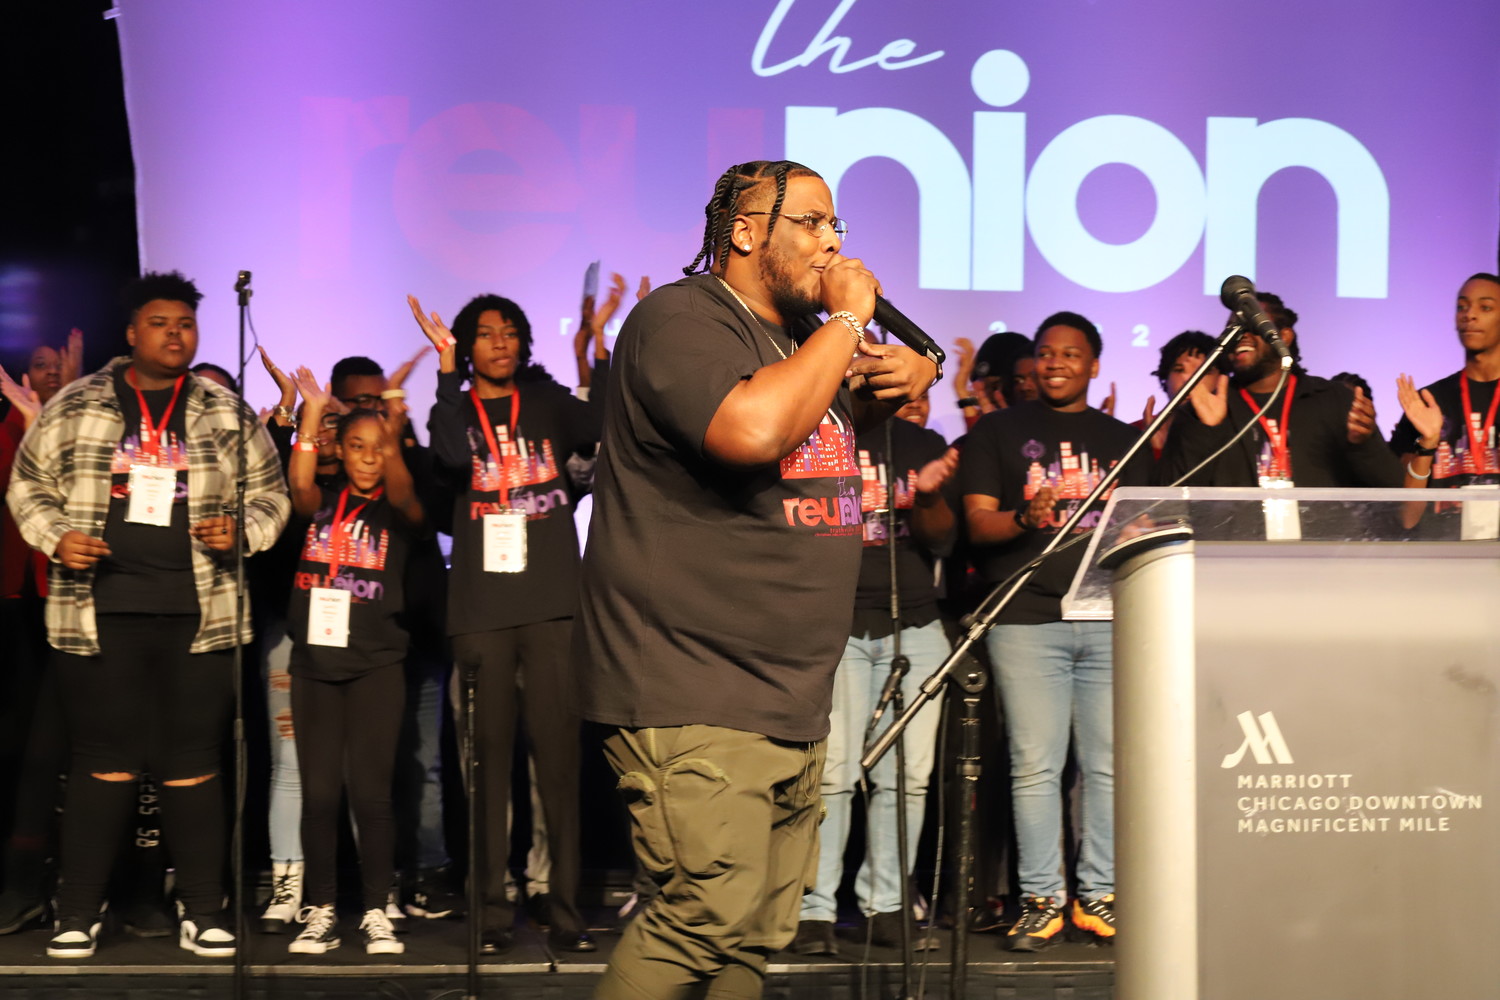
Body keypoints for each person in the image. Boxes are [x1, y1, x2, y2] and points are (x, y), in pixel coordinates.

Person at [574, 159, 938, 999]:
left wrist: (909, 373)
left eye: (836, 224)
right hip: (694, 684)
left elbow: (813, 431)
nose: (830, 241)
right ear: (743, 232)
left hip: (789, 692)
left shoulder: (797, 340)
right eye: (809, 222)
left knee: (750, 937)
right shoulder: (680, 318)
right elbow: (751, 430)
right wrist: (847, 321)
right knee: (703, 916)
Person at [6, 270, 290, 959]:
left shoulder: (224, 410)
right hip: (98, 612)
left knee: (193, 765)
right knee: (103, 764)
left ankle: (203, 909)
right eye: (161, 324)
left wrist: (243, 531)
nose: (175, 335)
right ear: (133, 332)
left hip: (202, 614)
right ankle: (79, 912)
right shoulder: (78, 402)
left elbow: (272, 496)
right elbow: (26, 485)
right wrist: (56, 537)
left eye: (186, 324)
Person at [408, 283, 613, 955]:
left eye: (510, 332)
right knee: (486, 768)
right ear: (467, 348)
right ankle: (491, 912)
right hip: (481, 613)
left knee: (558, 768)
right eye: (485, 334)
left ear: (523, 343)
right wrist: (444, 374)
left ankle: (566, 911)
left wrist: (596, 347)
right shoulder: (456, 409)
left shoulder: (547, 402)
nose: (500, 343)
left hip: (552, 609)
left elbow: (603, 421)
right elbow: (447, 457)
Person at [961, 312, 1151, 951]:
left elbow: (1145, 527)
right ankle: (1040, 899)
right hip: (1025, 621)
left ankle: (1098, 895)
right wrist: (1025, 517)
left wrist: (1136, 531)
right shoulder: (998, 431)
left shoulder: (1126, 440)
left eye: (1071, 353)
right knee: (1035, 766)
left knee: (1106, 766)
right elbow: (978, 525)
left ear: (1094, 365)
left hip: (1108, 619)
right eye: (1046, 352)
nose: (1056, 362)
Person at [793, 393, 958, 955]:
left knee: (907, 776)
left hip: (914, 624)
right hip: (834, 623)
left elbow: (942, 539)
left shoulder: (922, 443)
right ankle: (813, 909)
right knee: (834, 773)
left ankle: (886, 906)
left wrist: (928, 496)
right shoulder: (815, 432)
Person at [283, 369, 425, 956]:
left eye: (378, 448)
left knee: (371, 795)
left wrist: (393, 441)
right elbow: (298, 485)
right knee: (319, 796)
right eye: (357, 447)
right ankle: (320, 909)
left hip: (376, 666)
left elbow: (405, 493)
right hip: (314, 666)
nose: (368, 458)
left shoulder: (396, 509)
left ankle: (374, 909)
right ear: (340, 451)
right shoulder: (322, 503)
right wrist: (313, 414)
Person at [1159, 291, 1403, 489]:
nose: (1241, 336)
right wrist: (1205, 430)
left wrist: (1364, 445)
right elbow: (1170, 500)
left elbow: (1393, 492)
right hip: (1238, 537)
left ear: (1284, 336)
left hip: (1320, 536)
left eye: (1252, 326)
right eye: (1233, 330)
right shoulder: (1205, 409)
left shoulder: (1334, 399)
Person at [1392, 273, 1500, 533]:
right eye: (1462, 307)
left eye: (1485, 307)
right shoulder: (1428, 402)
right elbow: (1407, 518)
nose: (1469, 315)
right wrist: (1427, 444)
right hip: (1443, 553)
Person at [1133, 330, 1218, 459]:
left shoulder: (1236, 435)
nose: (1189, 379)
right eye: (1179, 370)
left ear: (1221, 379)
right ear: (1165, 378)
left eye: (1202, 371)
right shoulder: (1133, 434)